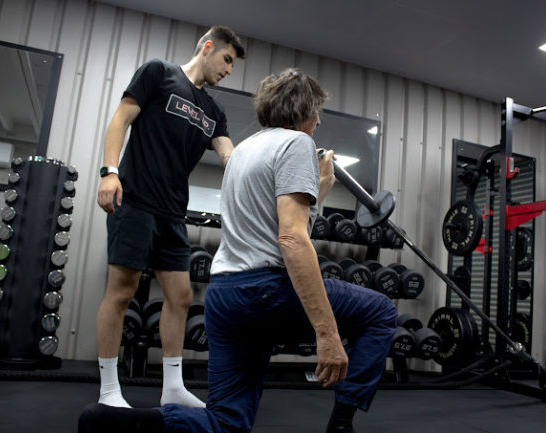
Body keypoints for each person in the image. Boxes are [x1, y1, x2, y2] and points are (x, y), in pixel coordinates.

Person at [80, 68, 397, 433]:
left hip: (225, 297)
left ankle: (126, 423)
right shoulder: (297, 144)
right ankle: (342, 424)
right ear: (302, 110)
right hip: (266, 290)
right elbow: (292, 240)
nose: (319, 120)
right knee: (381, 312)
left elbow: (275, 221)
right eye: (316, 112)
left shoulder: (244, 151)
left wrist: (321, 185)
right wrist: (327, 335)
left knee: (227, 423)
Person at [94, 25, 245, 409]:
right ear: (208, 47)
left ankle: (173, 387)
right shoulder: (159, 72)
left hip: (173, 211)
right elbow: (120, 119)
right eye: (227, 59)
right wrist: (109, 171)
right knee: (122, 290)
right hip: (136, 199)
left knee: (179, 295)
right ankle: (110, 390)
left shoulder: (214, 111)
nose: (228, 70)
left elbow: (229, 156)